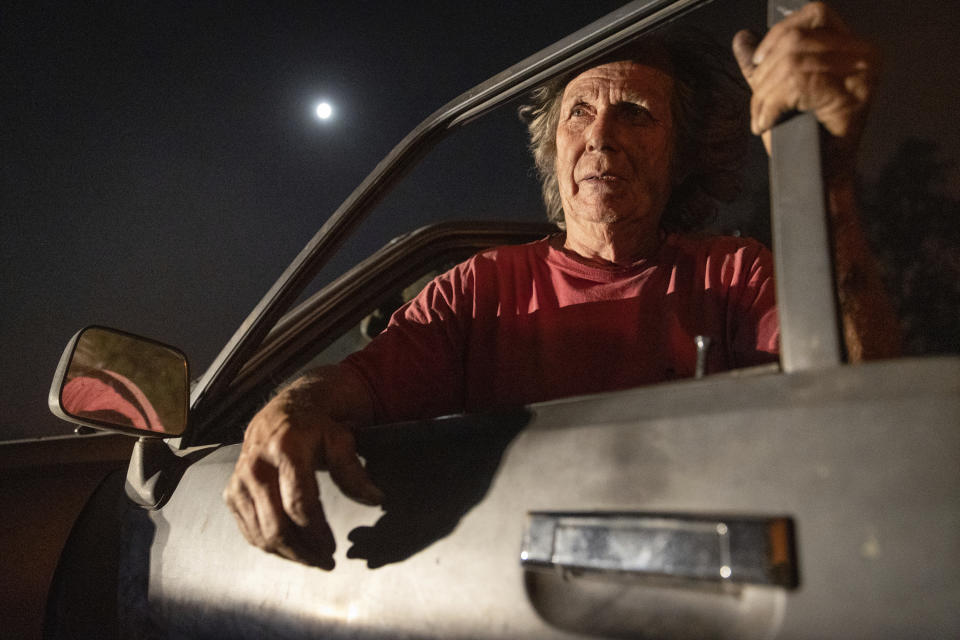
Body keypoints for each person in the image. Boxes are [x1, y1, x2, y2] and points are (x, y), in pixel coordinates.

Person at [224, 2, 900, 567]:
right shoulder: (476, 291)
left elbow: (872, 413)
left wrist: (828, 180)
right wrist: (286, 412)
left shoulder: (733, 273)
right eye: (580, 112)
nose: (601, 136)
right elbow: (352, 386)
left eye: (635, 111)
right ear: (553, 149)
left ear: (683, 154)